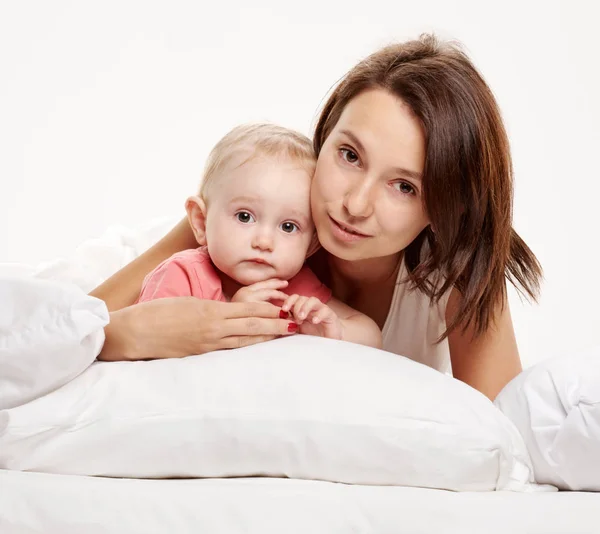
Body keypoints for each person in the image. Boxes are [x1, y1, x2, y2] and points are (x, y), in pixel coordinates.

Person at [91, 33, 542, 401]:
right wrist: (135, 333)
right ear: (322, 139)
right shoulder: (239, 222)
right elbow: (67, 331)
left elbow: (503, 436)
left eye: (405, 186)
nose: (355, 204)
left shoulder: (459, 274)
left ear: (444, 207)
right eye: (349, 155)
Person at [135, 123, 381, 348]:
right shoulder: (182, 275)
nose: (264, 242)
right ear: (200, 221)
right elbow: (146, 347)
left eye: (288, 227)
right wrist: (232, 318)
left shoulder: (294, 288)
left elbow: (371, 335)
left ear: (311, 245)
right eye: (244, 217)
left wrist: (334, 328)